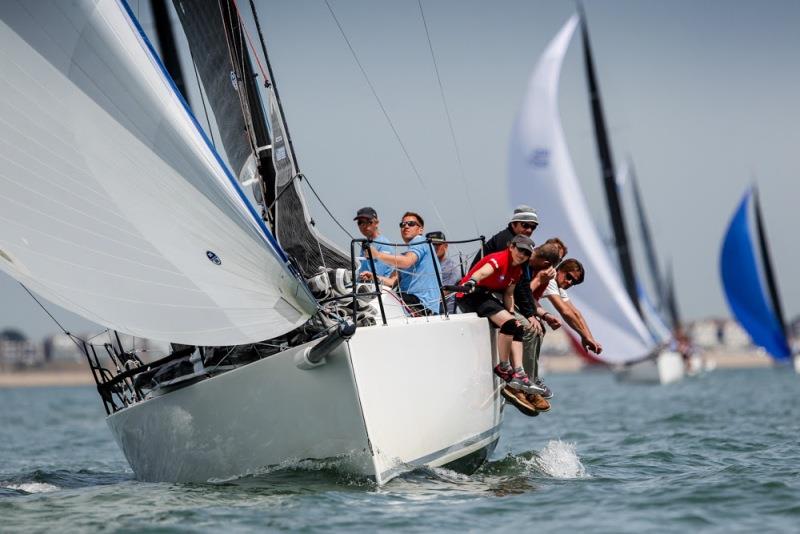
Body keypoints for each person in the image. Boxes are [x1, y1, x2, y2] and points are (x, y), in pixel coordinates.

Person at [456, 235, 542, 415]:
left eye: (527, 253)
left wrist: (511, 314)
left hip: (485, 296)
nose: (522, 255)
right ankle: (503, 367)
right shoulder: (499, 259)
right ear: (511, 247)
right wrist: (472, 281)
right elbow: (482, 272)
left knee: (516, 325)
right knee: (510, 324)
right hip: (469, 295)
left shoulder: (517, 270)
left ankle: (519, 372)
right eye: (520, 250)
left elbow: (509, 295)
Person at [513, 243, 563, 410]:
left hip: (514, 303)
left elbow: (529, 298)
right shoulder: (524, 262)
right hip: (503, 301)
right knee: (530, 328)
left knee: (539, 328)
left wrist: (545, 316)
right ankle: (524, 385)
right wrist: (539, 279)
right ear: (547, 263)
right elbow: (520, 293)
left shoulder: (533, 267)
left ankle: (532, 381)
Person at [368, 212, 441, 316]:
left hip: (422, 304)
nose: (406, 226)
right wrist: (373, 277)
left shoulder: (421, 241)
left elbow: (407, 262)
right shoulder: (404, 255)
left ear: (420, 229)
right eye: (402, 224)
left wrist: (378, 255)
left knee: (380, 303)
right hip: (408, 301)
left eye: (411, 224)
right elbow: (391, 281)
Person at [542, 259, 603, 355]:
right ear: (560, 270)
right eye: (569, 276)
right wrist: (584, 336)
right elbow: (565, 312)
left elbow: (576, 313)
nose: (570, 282)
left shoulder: (559, 287)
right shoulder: (551, 280)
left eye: (574, 282)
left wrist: (590, 338)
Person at [470, 205, 538, 269]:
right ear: (513, 224)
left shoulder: (520, 241)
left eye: (533, 227)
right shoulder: (506, 240)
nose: (529, 230)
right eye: (525, 225)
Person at [354, 207, 396, 286]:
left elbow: (376, 275)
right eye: (360, 222)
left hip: (378, 292)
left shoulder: (384, 245)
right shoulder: (367, 243)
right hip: (364, 289)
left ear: (376, 223)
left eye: (368, 222)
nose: (364, 225)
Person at [426, 231, 461, 313]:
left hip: (446, 316)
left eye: (437, 244)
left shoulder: (451, 268)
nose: (434, 247)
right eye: (431, 244)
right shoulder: (426, 267)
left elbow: (442, 294)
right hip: (429, 315)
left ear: (445, 246)